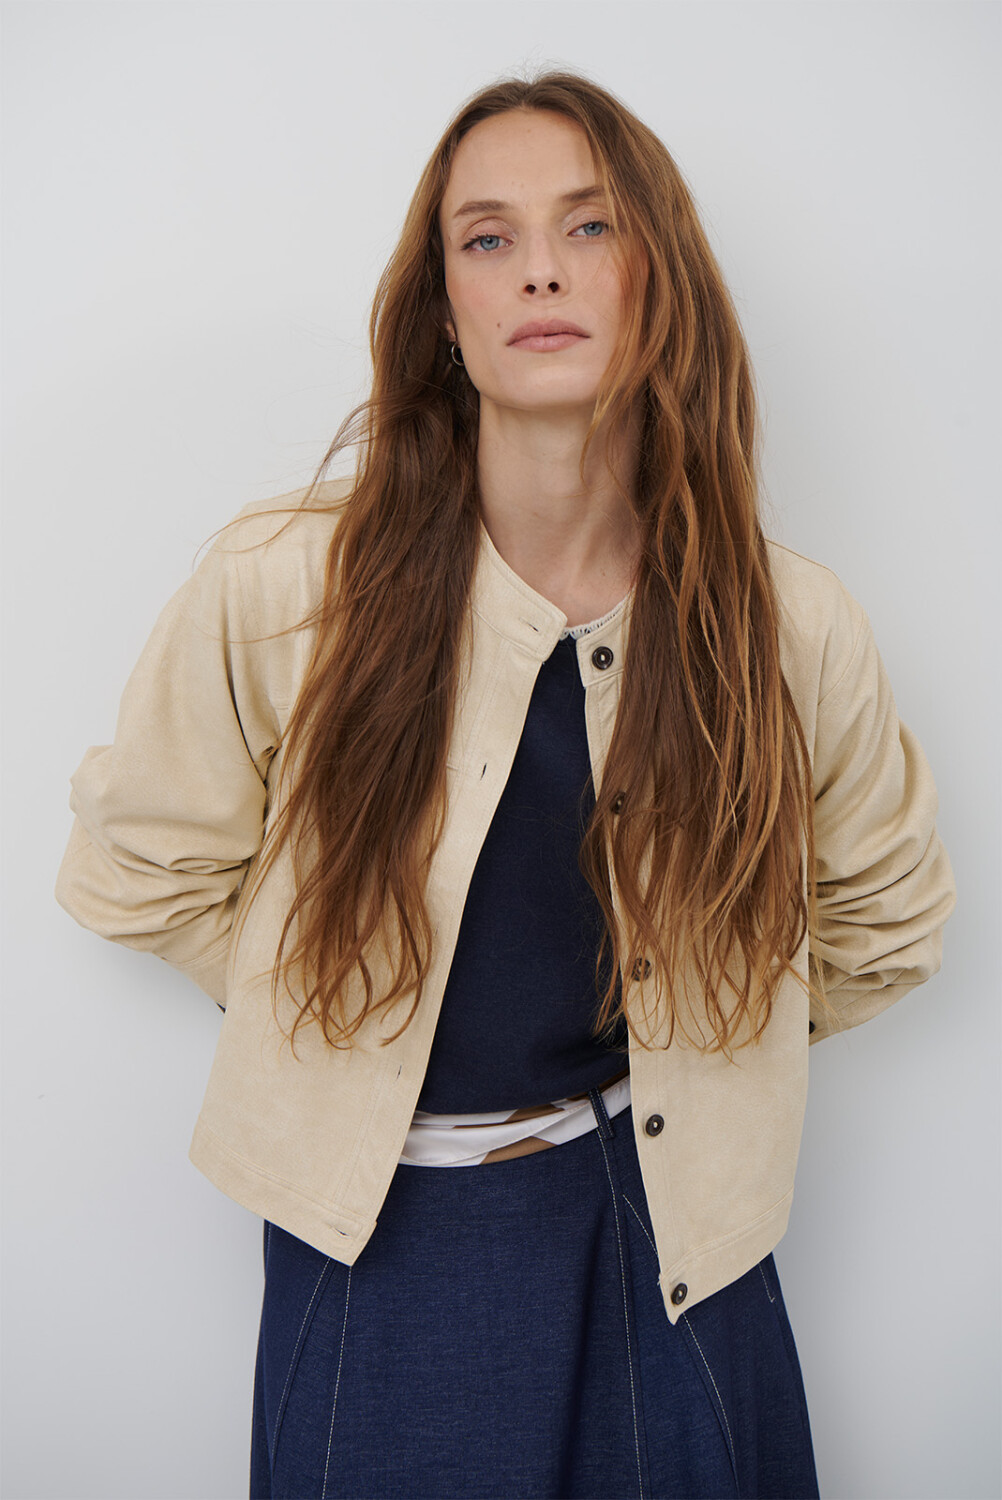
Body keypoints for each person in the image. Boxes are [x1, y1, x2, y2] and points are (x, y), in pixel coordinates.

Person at [55, 69, 956, 1500]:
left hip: (680, 1242)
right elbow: (139, 871)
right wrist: (330, 999)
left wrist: (710, 1041)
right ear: (444, 307)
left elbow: (885, 924)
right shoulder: (284, 587)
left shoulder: (785, 623)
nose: (540, 268)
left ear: (659, 276)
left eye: (590, 226)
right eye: (488, 237)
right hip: (384, 1248)